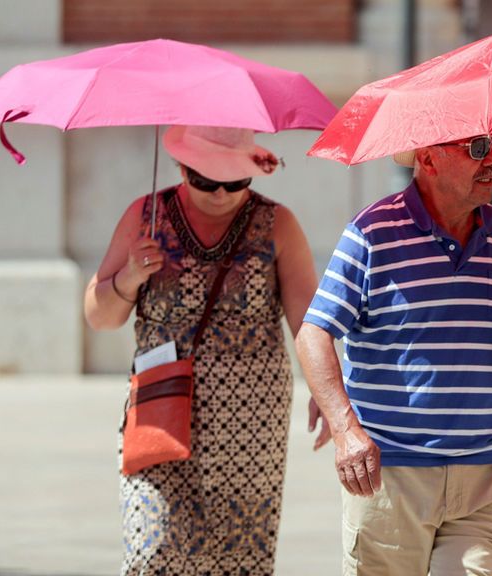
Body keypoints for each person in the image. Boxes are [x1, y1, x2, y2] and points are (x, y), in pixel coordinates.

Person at [295, 134, 492, 575]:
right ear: (428, 157)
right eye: (476, 149)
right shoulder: (371, 231)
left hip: (488, 470)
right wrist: (345, 430)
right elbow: (314, 332)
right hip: (391, 473)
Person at [84, 125, 318, 575]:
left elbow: (306, 319)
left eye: (235, 182)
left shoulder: (277, 222)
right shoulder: (146, 216)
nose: (221, 193)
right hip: (161, 412)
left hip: (250, 426)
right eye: (205, 180)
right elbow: (99, 315)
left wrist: (328, 395)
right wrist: (131, 275)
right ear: (181, 167)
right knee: (151, 554)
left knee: (237, 562)